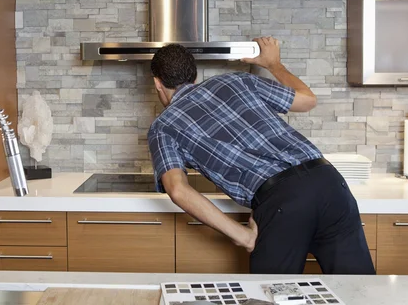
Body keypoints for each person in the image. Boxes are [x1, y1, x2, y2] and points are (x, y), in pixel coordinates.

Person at [147, 37, 375, 275]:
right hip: (330, 182)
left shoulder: (163, 126)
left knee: (270, 296)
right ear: (194, 76)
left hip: (283, 200)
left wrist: (242, 236)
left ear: (158, 83)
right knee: (357, 289)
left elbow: (178, 190)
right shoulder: (237, 80)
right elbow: (308, 100)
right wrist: (274, 64)